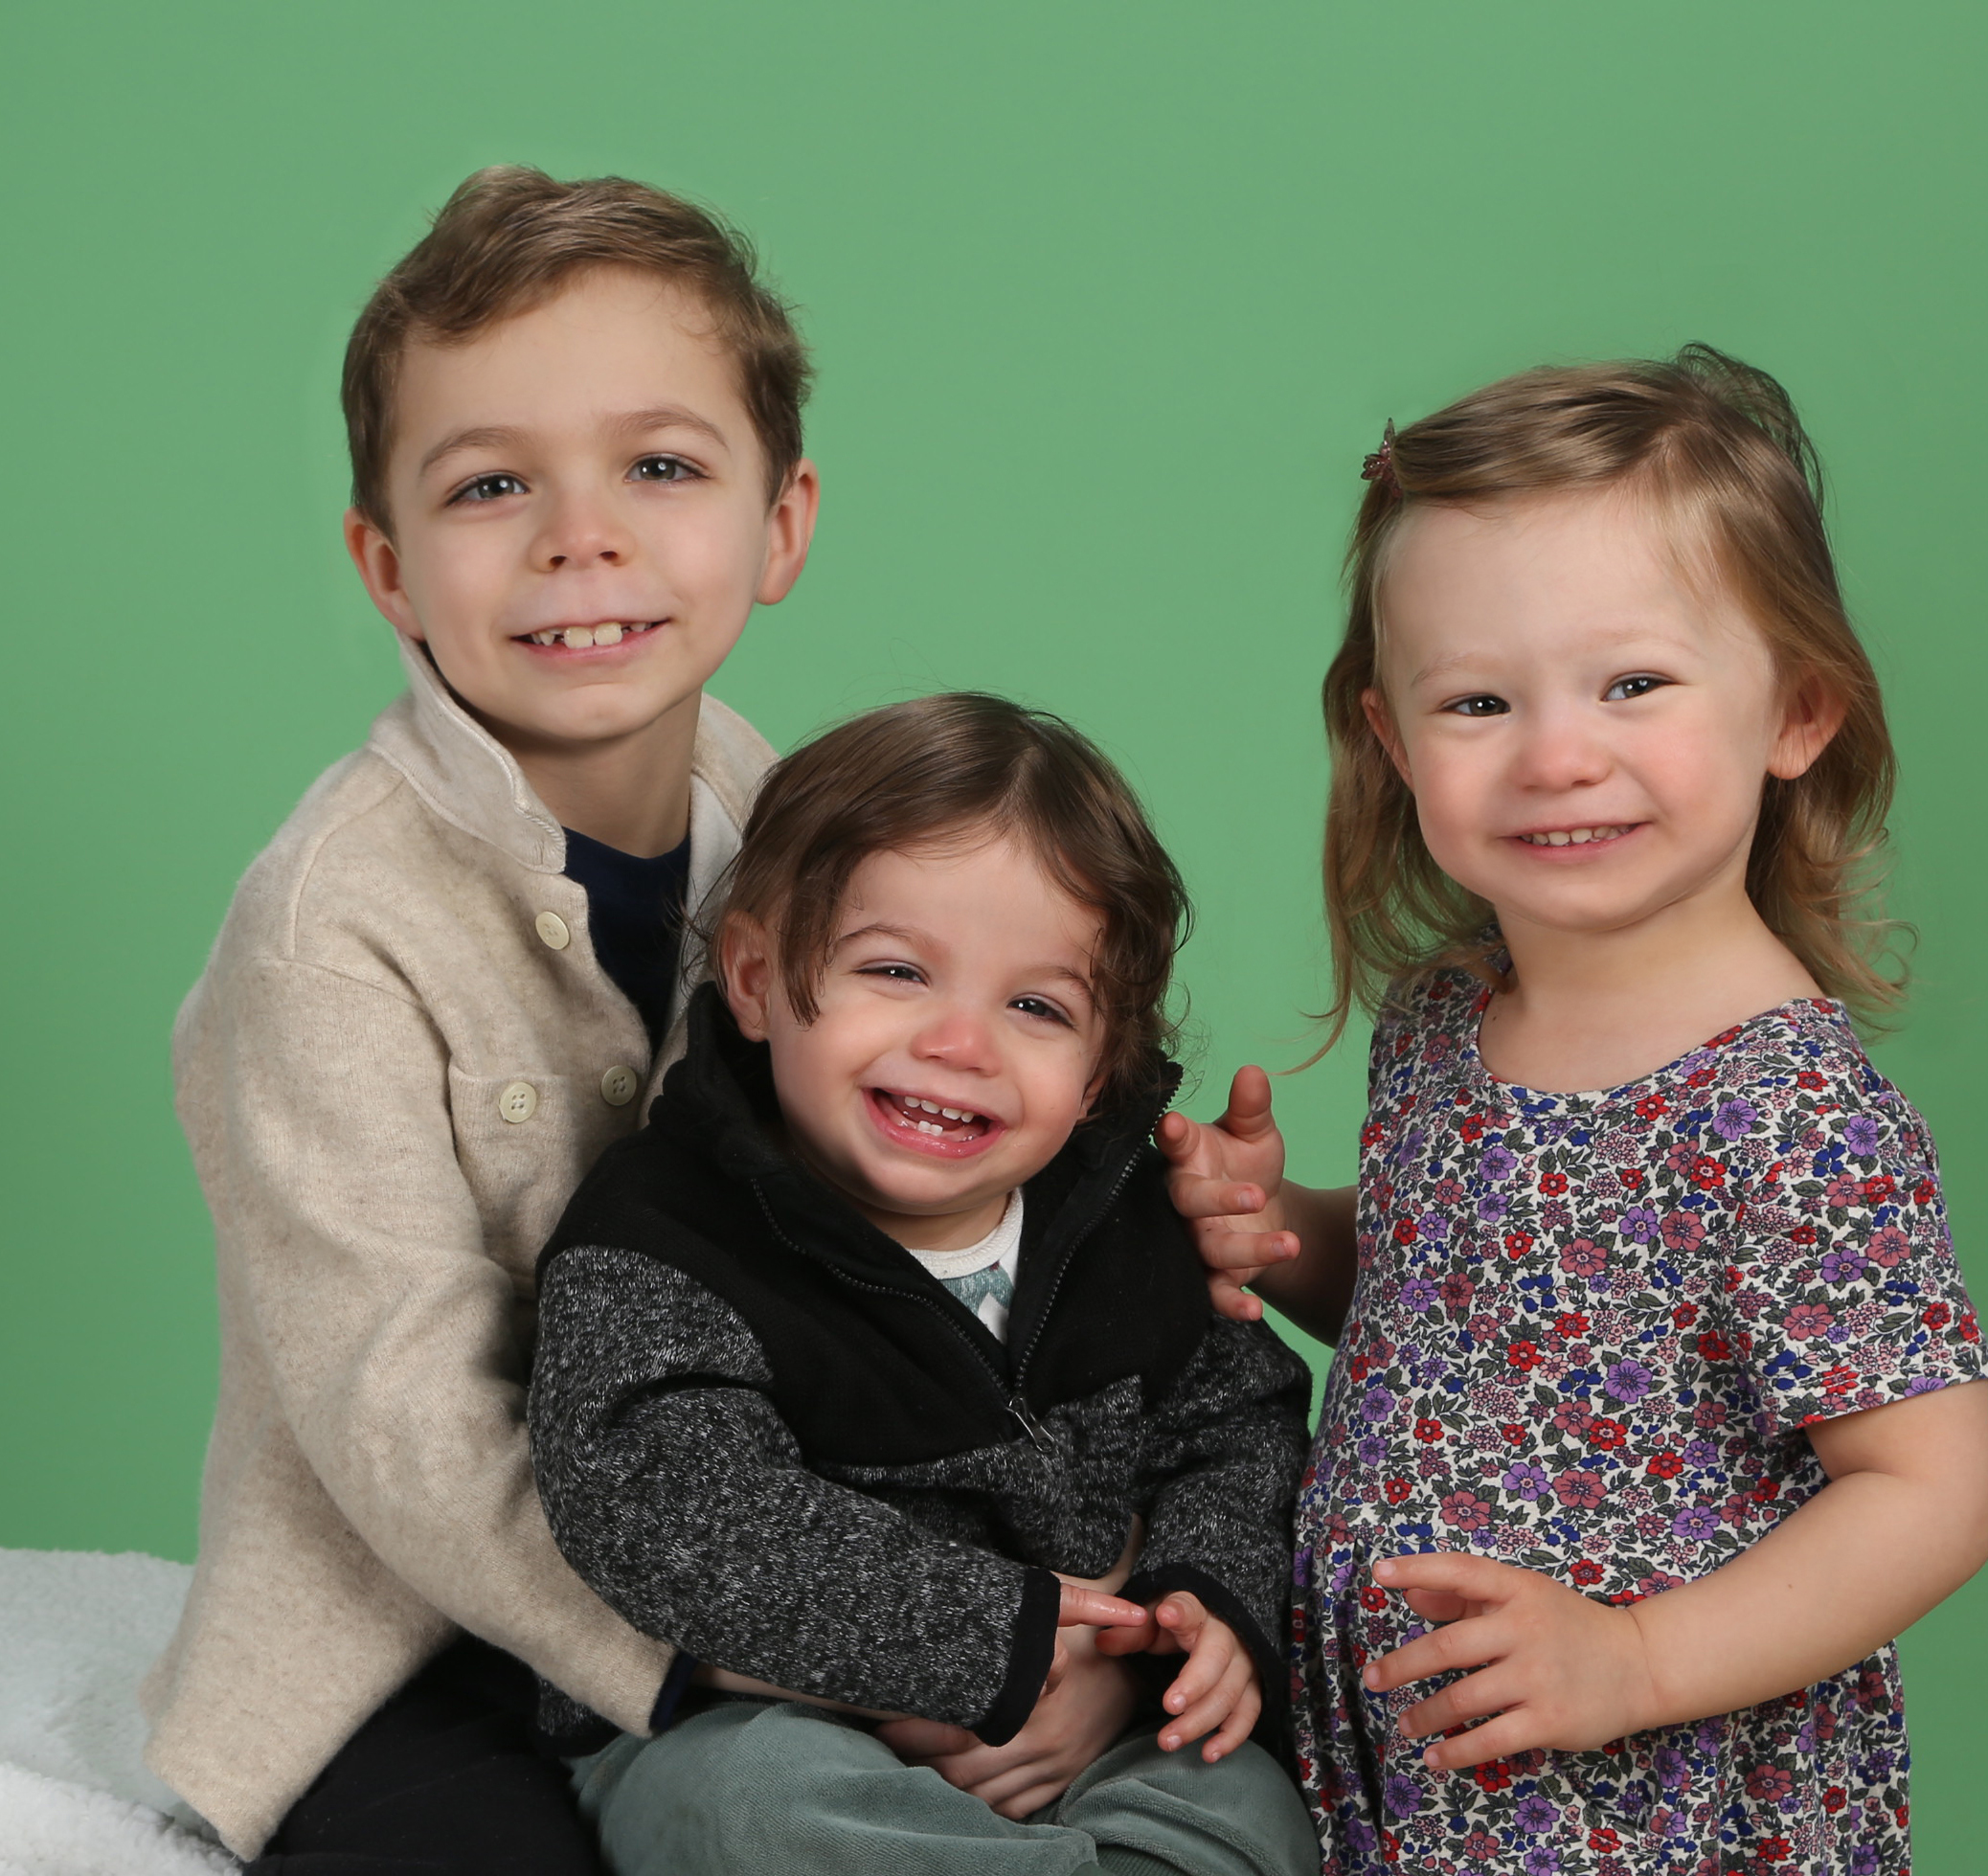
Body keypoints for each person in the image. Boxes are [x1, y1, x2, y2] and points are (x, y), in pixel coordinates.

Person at [1158, 350, 1988, 1873]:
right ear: (1392, 738)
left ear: (1796, 706)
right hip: (1417, 1765)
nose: (1556, 754)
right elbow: (1458, 1306)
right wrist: (1280, 1228)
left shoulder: (1786, 1110)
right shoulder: (1446, 1014)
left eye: (1631, 684)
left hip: (1646, 1799)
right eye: (1477, 700)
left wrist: (1637, 1659)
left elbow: (1930, 1488)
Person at [141, 165, 821, 1872]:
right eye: (490, 483)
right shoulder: (327, 928)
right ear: (385, 563)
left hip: (734, 1547)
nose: (578, 536)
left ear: (779, 523)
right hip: (411, 1634)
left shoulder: (800, 826)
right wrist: (742, 1642)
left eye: (659, 467)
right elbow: (402, 1416)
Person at [528, 694, 1322, 1876]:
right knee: (752, 1808)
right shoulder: (662, 1233)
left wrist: (1192, 1608)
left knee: (1243, 1800)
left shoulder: (1128, 1220)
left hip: (1089, 1711)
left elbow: (1238, 1426)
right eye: (895, 971)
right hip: (762, 1717)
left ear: (1098, 1074)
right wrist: (988, 1643)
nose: (960, 1043)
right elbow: (663, 1508)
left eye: (1035, 1007)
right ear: (753, 977)